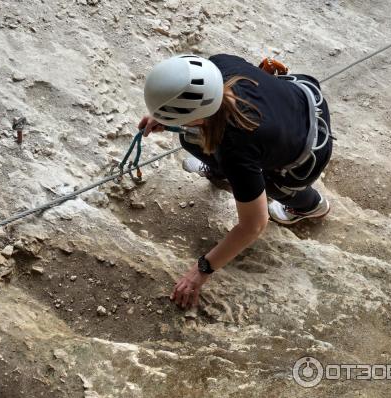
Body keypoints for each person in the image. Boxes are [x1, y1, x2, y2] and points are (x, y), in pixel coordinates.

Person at [138, 54, 334, 308]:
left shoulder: (236, 149)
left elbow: (253, 224)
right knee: (189, 138)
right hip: (299, 101)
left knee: (265, 180)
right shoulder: (220, 65)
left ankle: (309, 205)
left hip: (307, 153)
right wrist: (165, 113)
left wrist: (201, 271)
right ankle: (219, 172)